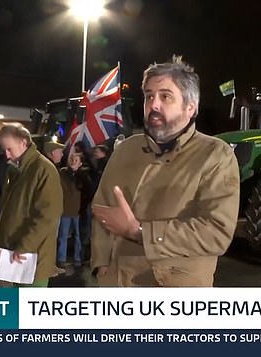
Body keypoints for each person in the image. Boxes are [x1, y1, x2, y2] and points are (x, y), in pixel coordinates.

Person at [91, 56, 240, 287]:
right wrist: (101, 264)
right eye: (149, 96)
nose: (154, 105)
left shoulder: (215, 155)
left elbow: (216, 233)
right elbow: (101, 209)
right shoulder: (127, 149)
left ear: (190, 107)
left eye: (165, 96)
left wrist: (141, 232)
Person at [0, 125, 63, 287]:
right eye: (4, 150)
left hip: (30, 257)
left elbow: (48, 216)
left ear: (24, 143)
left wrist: (25, 245)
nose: (6, 154)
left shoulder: (43, 169)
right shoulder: (17, 170)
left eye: (9, 149)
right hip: (12, 253)